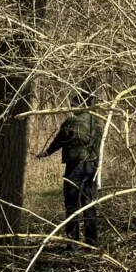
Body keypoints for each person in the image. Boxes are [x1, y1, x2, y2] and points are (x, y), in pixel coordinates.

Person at [37, 92, 103, 249]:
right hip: (92, 166)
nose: (71, 107)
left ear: (80, 105)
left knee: (72, 205)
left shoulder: (71, 122)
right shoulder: (97, 123)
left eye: (73, 104)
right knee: (89, 204)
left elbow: (59, 141)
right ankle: (91, 242)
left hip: (74, 168)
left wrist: (46, 153)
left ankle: (73, 244)